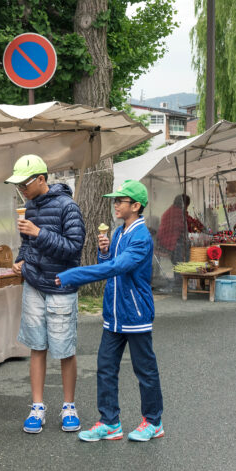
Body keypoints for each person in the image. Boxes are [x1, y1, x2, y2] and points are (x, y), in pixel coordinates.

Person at [56, 179, 164, 442]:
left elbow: (116, 269)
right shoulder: (119, 232)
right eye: (114, 200)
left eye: (120, 201)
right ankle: (110, 422)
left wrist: (74, 275)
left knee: (145, 371)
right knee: (105, 368)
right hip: (114, 314)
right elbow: (110, 263)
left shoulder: (140, 237)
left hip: (135, 314)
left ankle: (153, 422)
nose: (115, 204)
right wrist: (104, 251)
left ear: (136, 206)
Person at [6, 154, 86, 434]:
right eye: (18, 186)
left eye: (24, 184)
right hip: (34, 285)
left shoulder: (68, 207)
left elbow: (74, 249)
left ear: (41, 179)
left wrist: (39, 233)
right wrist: (21, 259)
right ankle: (37, 407)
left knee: (65, 349)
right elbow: (27, 244)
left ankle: (69, 406)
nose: (21, 190)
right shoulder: (28, 207)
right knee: (36, 346)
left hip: (61, 286)